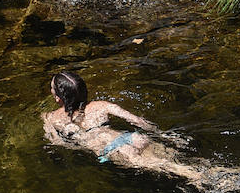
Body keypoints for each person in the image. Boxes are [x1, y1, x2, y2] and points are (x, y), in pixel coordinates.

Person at [43, 70, 205, 184]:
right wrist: (163, 134)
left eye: (51, 88)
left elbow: (58, 143)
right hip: (135, 137)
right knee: (183, 161)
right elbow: (139, 122)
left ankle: (213, 182)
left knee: (185, 172)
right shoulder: (101, 105)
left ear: (58, 98)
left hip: (114, 150)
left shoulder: (50, 118)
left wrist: (82, 145)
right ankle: (218, 173)